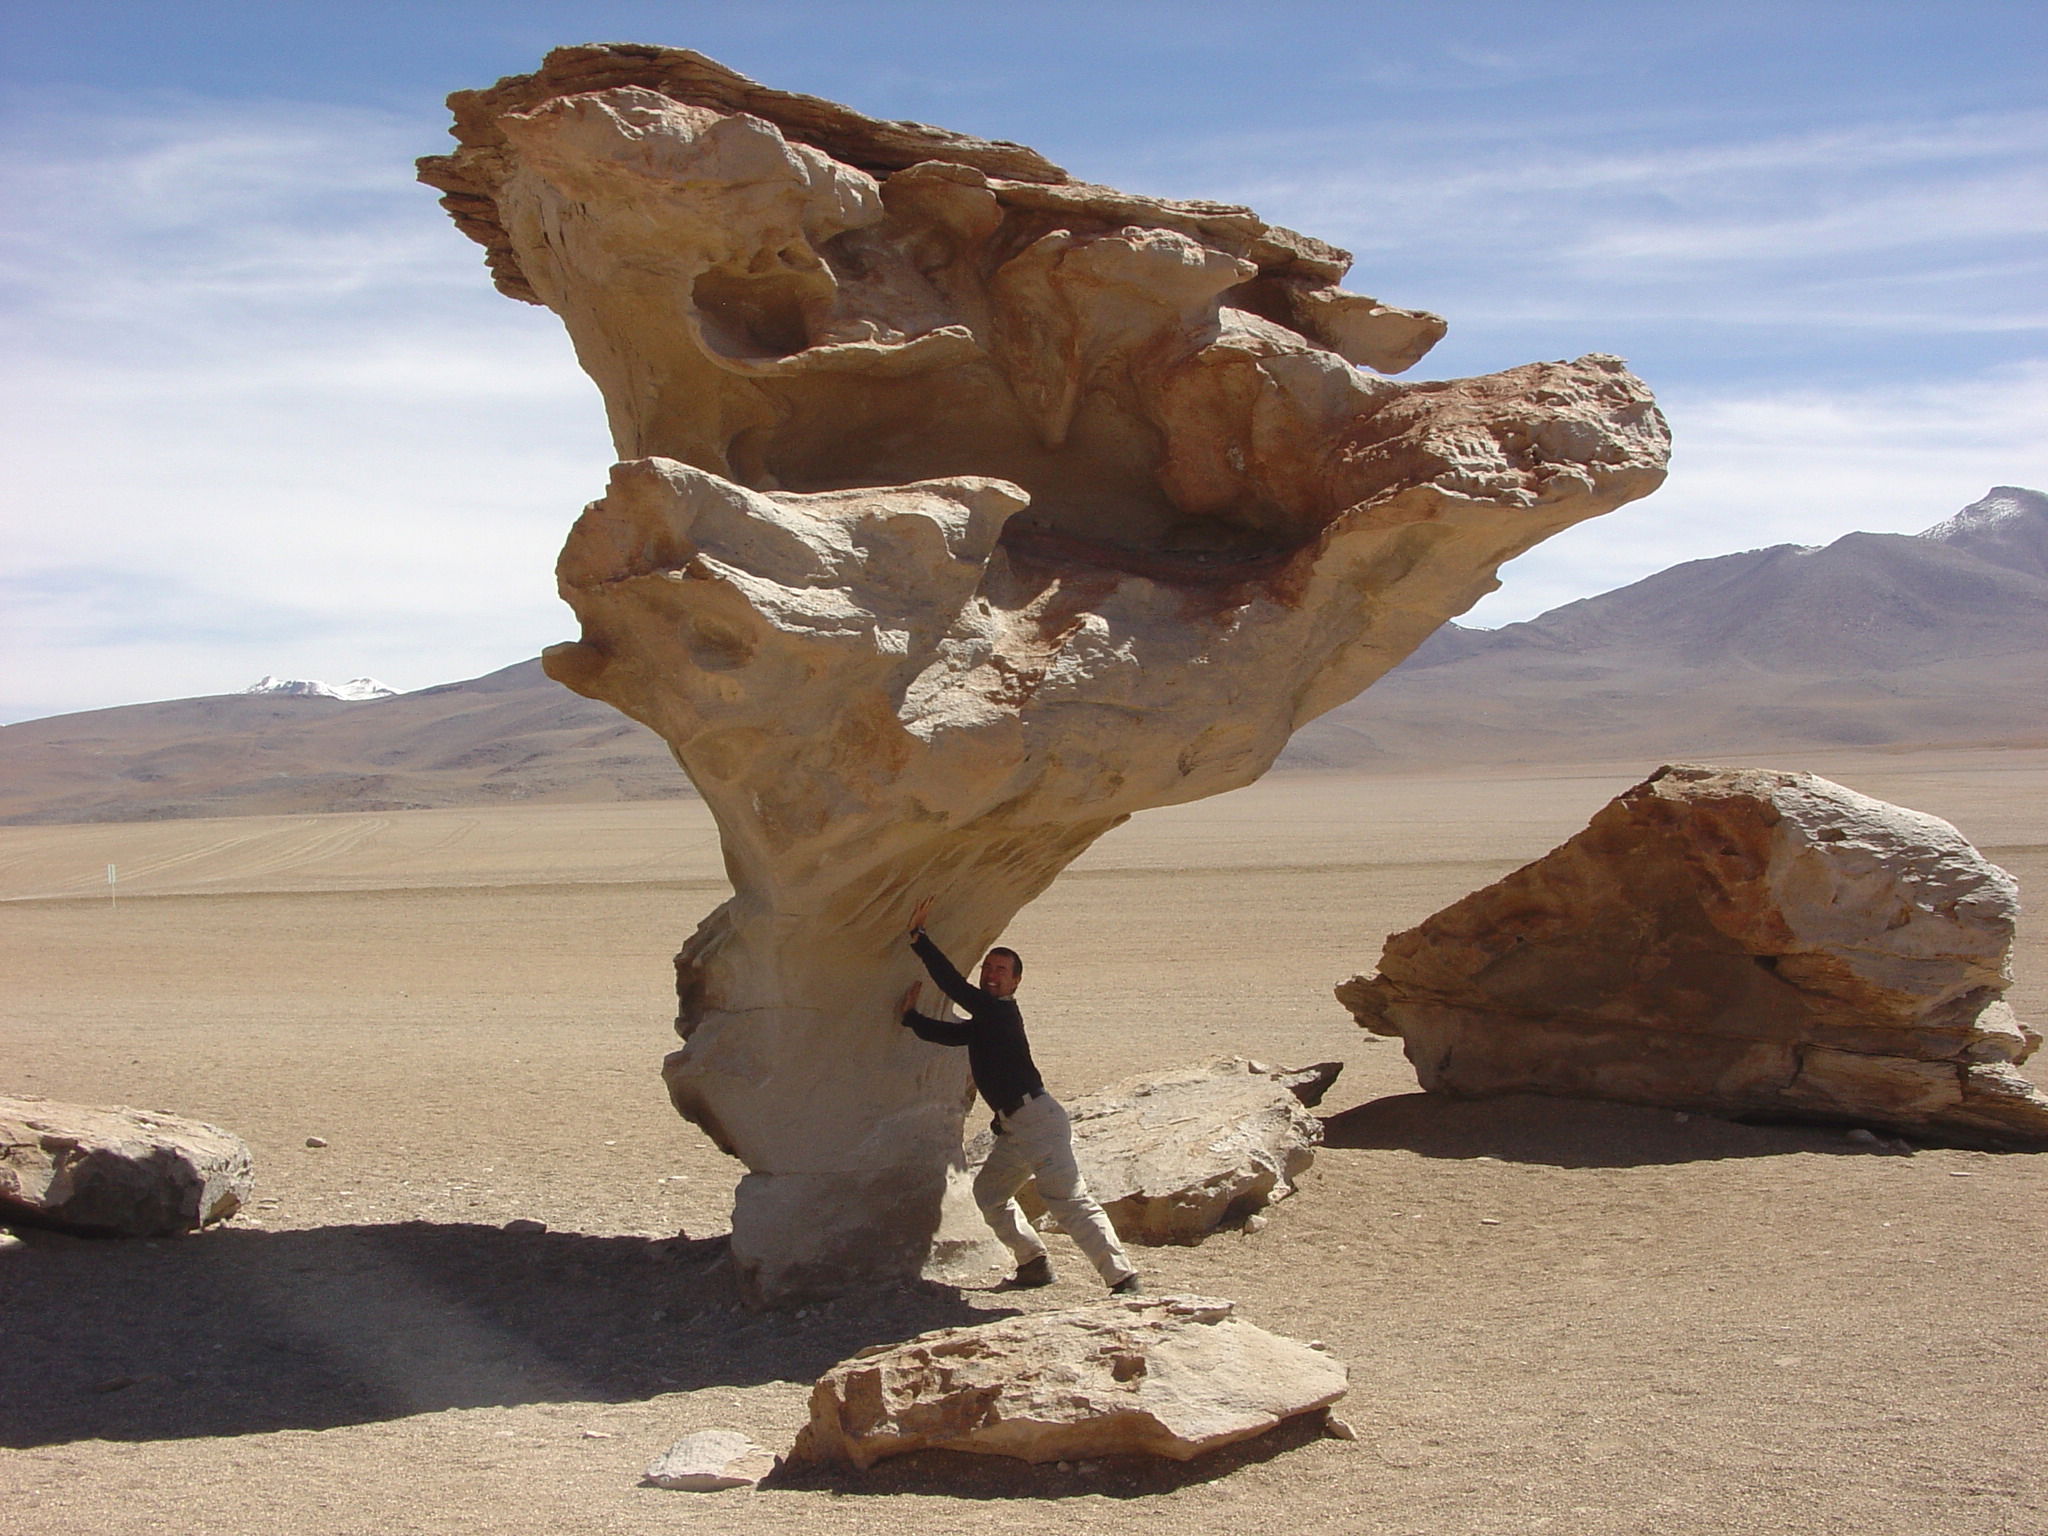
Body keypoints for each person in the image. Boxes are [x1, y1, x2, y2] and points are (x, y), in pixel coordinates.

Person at [898, 897, 1140, 1294]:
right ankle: (1033, 1263)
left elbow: (954, 986)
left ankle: (1123, 1278)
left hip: (1038, 1123)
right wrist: (910, 1018)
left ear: (1015, 982)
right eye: (988, 967)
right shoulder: (986, 1021)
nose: (992, 975)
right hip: (1016, 1127)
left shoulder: (998, 1012)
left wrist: (919, 938)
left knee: (1067, 1201)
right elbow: (949, 1035)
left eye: (1002, 970)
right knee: (990, 1194)